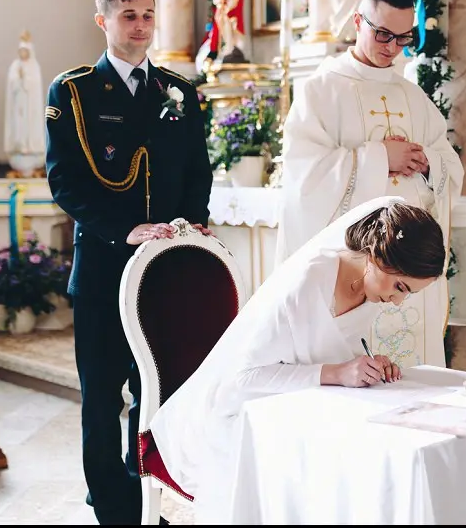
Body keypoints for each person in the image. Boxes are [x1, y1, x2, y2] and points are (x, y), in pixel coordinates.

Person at [150, 196, 447, 524]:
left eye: (408, 293)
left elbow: (326, 347)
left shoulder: (367, 290)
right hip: (239, 416)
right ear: (378, 256)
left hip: (300, 409)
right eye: (400, 287)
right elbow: (241, 380)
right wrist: (336, 372)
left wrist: (367, 364)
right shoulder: (306, 281)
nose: (398, 301)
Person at [44, 0, 214, 526]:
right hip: (103, 270)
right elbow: (65, 181)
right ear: (104, 21)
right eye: (128, 16)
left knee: (155, 395)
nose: (140, 26)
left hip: (164, 271)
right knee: (102, 396)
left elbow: (196, 170)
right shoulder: (74, 92)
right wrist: (125, 230)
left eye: (147, 14)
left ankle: (143, 500)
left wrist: (193, 223)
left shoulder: (179, 91)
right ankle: (113, 509)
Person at [277, 0, 463, 368]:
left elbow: (449, 162)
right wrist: (380, 158)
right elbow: (304, 178)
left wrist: (427, 162)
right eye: (382, 34)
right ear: (357, 22)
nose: (391, 48)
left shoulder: (413, 96)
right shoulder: (321, 92)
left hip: (406, 264)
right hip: (358, 268)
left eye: (402, 38)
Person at [4, 31, 47, 177]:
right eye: (21, 51)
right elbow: (12, 85)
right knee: (19, 125)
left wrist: (26, 80)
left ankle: (31, 148)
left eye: (25, 51)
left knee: (31, 125)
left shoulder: (34, 66)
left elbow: (35, 86)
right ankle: (20, 146)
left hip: (31, 105)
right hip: (19, 103)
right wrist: (19, 79)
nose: (23, 53)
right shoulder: (15, 65)